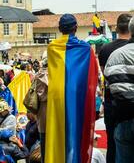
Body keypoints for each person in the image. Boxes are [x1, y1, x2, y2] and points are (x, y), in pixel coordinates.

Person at [45, 14, 98, 163]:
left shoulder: (52, 48)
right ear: (75, 28)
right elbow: (92, 75)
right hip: (77, 95)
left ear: (60, 29)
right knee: (75, 131)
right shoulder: (86, 48)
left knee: (57, 131)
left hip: (57, 95)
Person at [98, 13, 132, 163]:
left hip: (116, 108)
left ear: (117, 29)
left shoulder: (107, 50)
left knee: (112, 146)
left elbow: (106, 78)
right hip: (120, 109)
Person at [35, 57, 48, 163]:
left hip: (49, 117)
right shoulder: (42, 75)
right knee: (45, 145)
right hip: (45, 117)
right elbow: (42, 96)